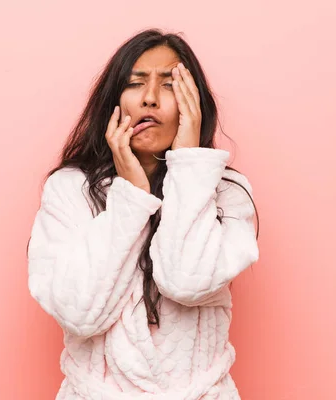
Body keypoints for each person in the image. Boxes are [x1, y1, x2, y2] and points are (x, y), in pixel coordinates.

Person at [27, 28, 260, 400]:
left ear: (193, 103)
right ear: (112, 101)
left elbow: (186, 281)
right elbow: (80, 314)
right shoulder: (69, 189)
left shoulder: (226, 192)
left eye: (169, 85)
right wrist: (131, 199)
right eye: (136, 83)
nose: (150, 99)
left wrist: (190, 165)